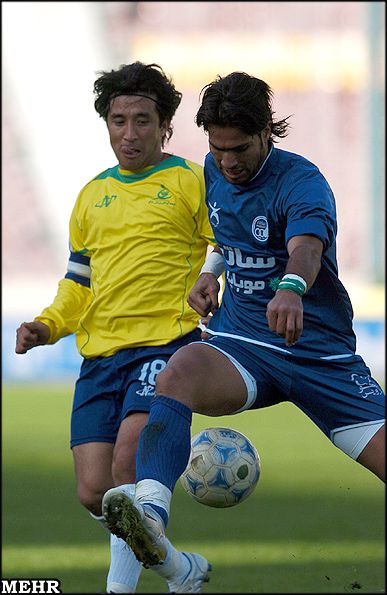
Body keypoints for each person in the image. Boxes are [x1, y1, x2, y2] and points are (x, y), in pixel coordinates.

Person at [100, 71, 386, 574]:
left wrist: (292, 288)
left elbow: (306, 248)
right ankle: (150, 514)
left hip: (319, 355)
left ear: (265, 134)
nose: (228, 161)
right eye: (218, 148)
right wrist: (211, 273)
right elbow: (224, 233)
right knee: (179, 372)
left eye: (240, 149)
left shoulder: (302, 182)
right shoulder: (211, 169)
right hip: (242, 342)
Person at [15, 62, 215, 594]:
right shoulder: (90, 196)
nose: (130, 134)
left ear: (165, 125)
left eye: (143, 120)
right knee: (94, 492)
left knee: (129, 463)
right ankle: (181, 570)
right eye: (118, 120)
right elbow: (77, 282)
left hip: (167, 347)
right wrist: (47, 324)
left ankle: (118, 591)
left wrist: (212, 284)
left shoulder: (193, 181)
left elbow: (226, 250)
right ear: (106, 123)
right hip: (100, 358)